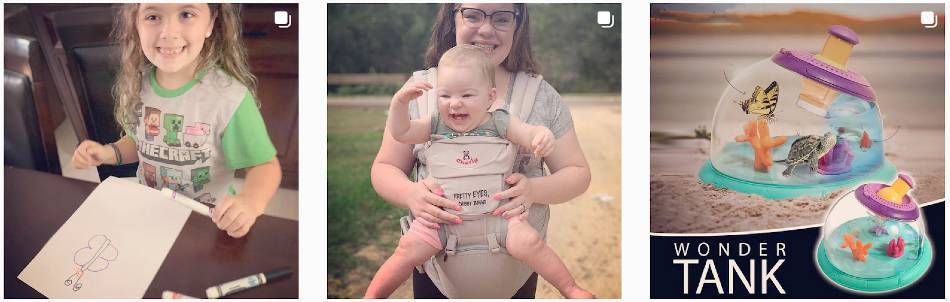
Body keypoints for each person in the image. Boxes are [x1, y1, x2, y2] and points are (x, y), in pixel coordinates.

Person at [370, 3, 591, 298]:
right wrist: (411, 194)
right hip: (437, 269)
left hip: (515, 274)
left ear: (518, 24)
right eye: (473, 15)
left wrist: (532, 190)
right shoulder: (421, 91)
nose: (486, 29)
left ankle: (571, 289)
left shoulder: (539, 98)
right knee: (405, 252)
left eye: (501, 18)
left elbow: (578, 174)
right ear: (453, 18)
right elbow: (384, 167)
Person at [71, 3, 281, 238]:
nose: (169, 33)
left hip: (206, 222)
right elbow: (141, 140)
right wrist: (108, 153)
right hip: (149, 213)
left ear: (210, 24)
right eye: (153, 16)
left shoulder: (229, 98)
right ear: (135, 25)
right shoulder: (137, 84)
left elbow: (265, 166)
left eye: (186, 14)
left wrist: (250, 202)